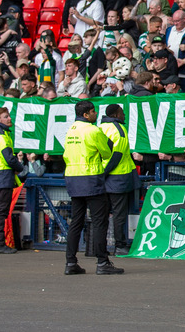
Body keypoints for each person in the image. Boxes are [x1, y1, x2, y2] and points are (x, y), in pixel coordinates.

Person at [62, 100, 122, 275]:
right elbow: (107, 151)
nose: (96, 114)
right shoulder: (93, 130)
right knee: (99, 222)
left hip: (73, 178)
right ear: (87, 114)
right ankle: (102, 262)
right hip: (91, 178)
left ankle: (70, 262)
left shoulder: (71, 130)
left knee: (76, 222)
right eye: (94, 112)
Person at [0, 106, 27, 254]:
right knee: (0, 211)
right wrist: (21, 168)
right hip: (1, 176)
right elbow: (9, 158)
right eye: (6, 116)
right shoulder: (0, 135)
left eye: (9, 116)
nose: (9, 118)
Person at [100, 103, 140, 255]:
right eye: (122, 112)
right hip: (118, 178)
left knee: (102, 214)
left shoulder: (101, 128)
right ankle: (120, 245)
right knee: (119, 215)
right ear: (116, 115)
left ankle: (100, 246)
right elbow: (117, 155)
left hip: (103, 178)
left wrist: (100, 174)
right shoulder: (119, 129)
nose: (124, 115)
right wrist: (105, 172)